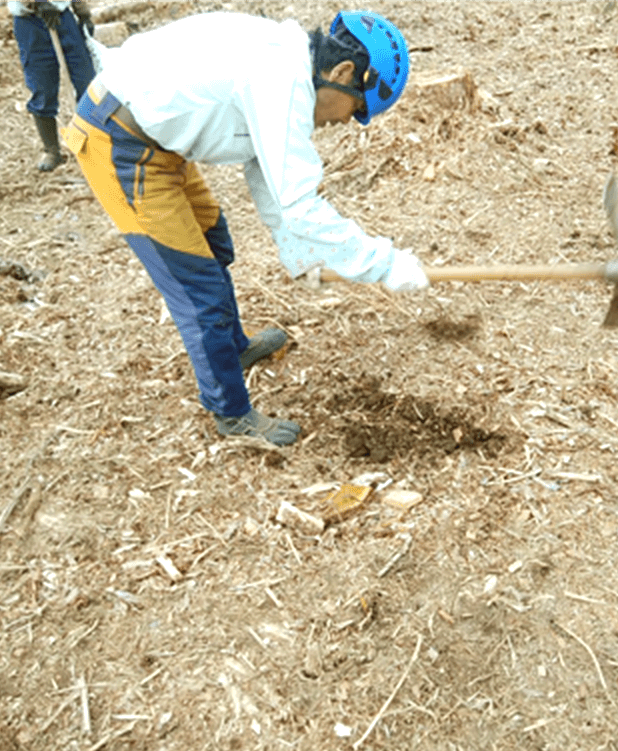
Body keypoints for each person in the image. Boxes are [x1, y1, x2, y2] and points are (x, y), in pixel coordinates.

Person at [62, 10, 429, 448]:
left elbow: (268, 180)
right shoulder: (279, 79)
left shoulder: (287, 66)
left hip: (158, 142)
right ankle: (231, 413)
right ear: (344, 71)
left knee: (215, 244)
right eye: (357, 108)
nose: (346, 122)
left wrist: (303, 258)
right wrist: (384, 264)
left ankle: (231, 349)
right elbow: (299, 204)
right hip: (120, 142)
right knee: (199, 289)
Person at [9, 0, 96, 172]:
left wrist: (83, 13)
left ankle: (95, 142)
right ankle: (52, 151)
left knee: (87, 83)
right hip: (30, 23)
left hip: (64, 18)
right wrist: (38, 4)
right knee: (42, 88)